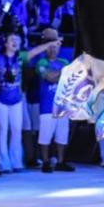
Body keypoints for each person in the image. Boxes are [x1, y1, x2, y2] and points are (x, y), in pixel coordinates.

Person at [0, 33, 54, 173]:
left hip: (16, 99)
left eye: (17, 40)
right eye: (12, 39)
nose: (15, 42)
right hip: (0, 99)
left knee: (16, 130)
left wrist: (49, 44)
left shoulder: (20, 57)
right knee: (2, 130)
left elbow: (35, 51)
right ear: (5, 43)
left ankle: (16, 161)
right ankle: (3, 163)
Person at [35, 29, 74, 172]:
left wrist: (58, 74)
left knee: (62, 135)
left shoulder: (64, 61)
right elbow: (49, 78)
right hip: (47, 105)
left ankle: (60, 161)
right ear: (46, 49)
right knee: (45, 135)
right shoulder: (41, 62)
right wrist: (63, 72)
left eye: (55, 47)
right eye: (50, 47)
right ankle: (45, 162)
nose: (53, 50)